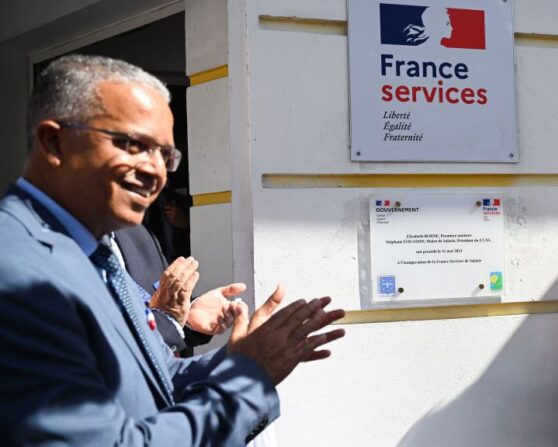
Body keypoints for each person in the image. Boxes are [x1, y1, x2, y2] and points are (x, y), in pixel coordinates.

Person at [0, 54, 345, 445]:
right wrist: (250, 379)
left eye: (165, 155)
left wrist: (242, 358)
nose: (155, 170)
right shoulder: (20, 272)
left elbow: (158, 374)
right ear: (54, 141)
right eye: (132, 145)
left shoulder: (95, 254)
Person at [114, 224, 241, 354]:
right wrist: (168, 321)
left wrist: (187, 317)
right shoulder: (93, 269)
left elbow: (164, 312)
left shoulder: (138, 233)